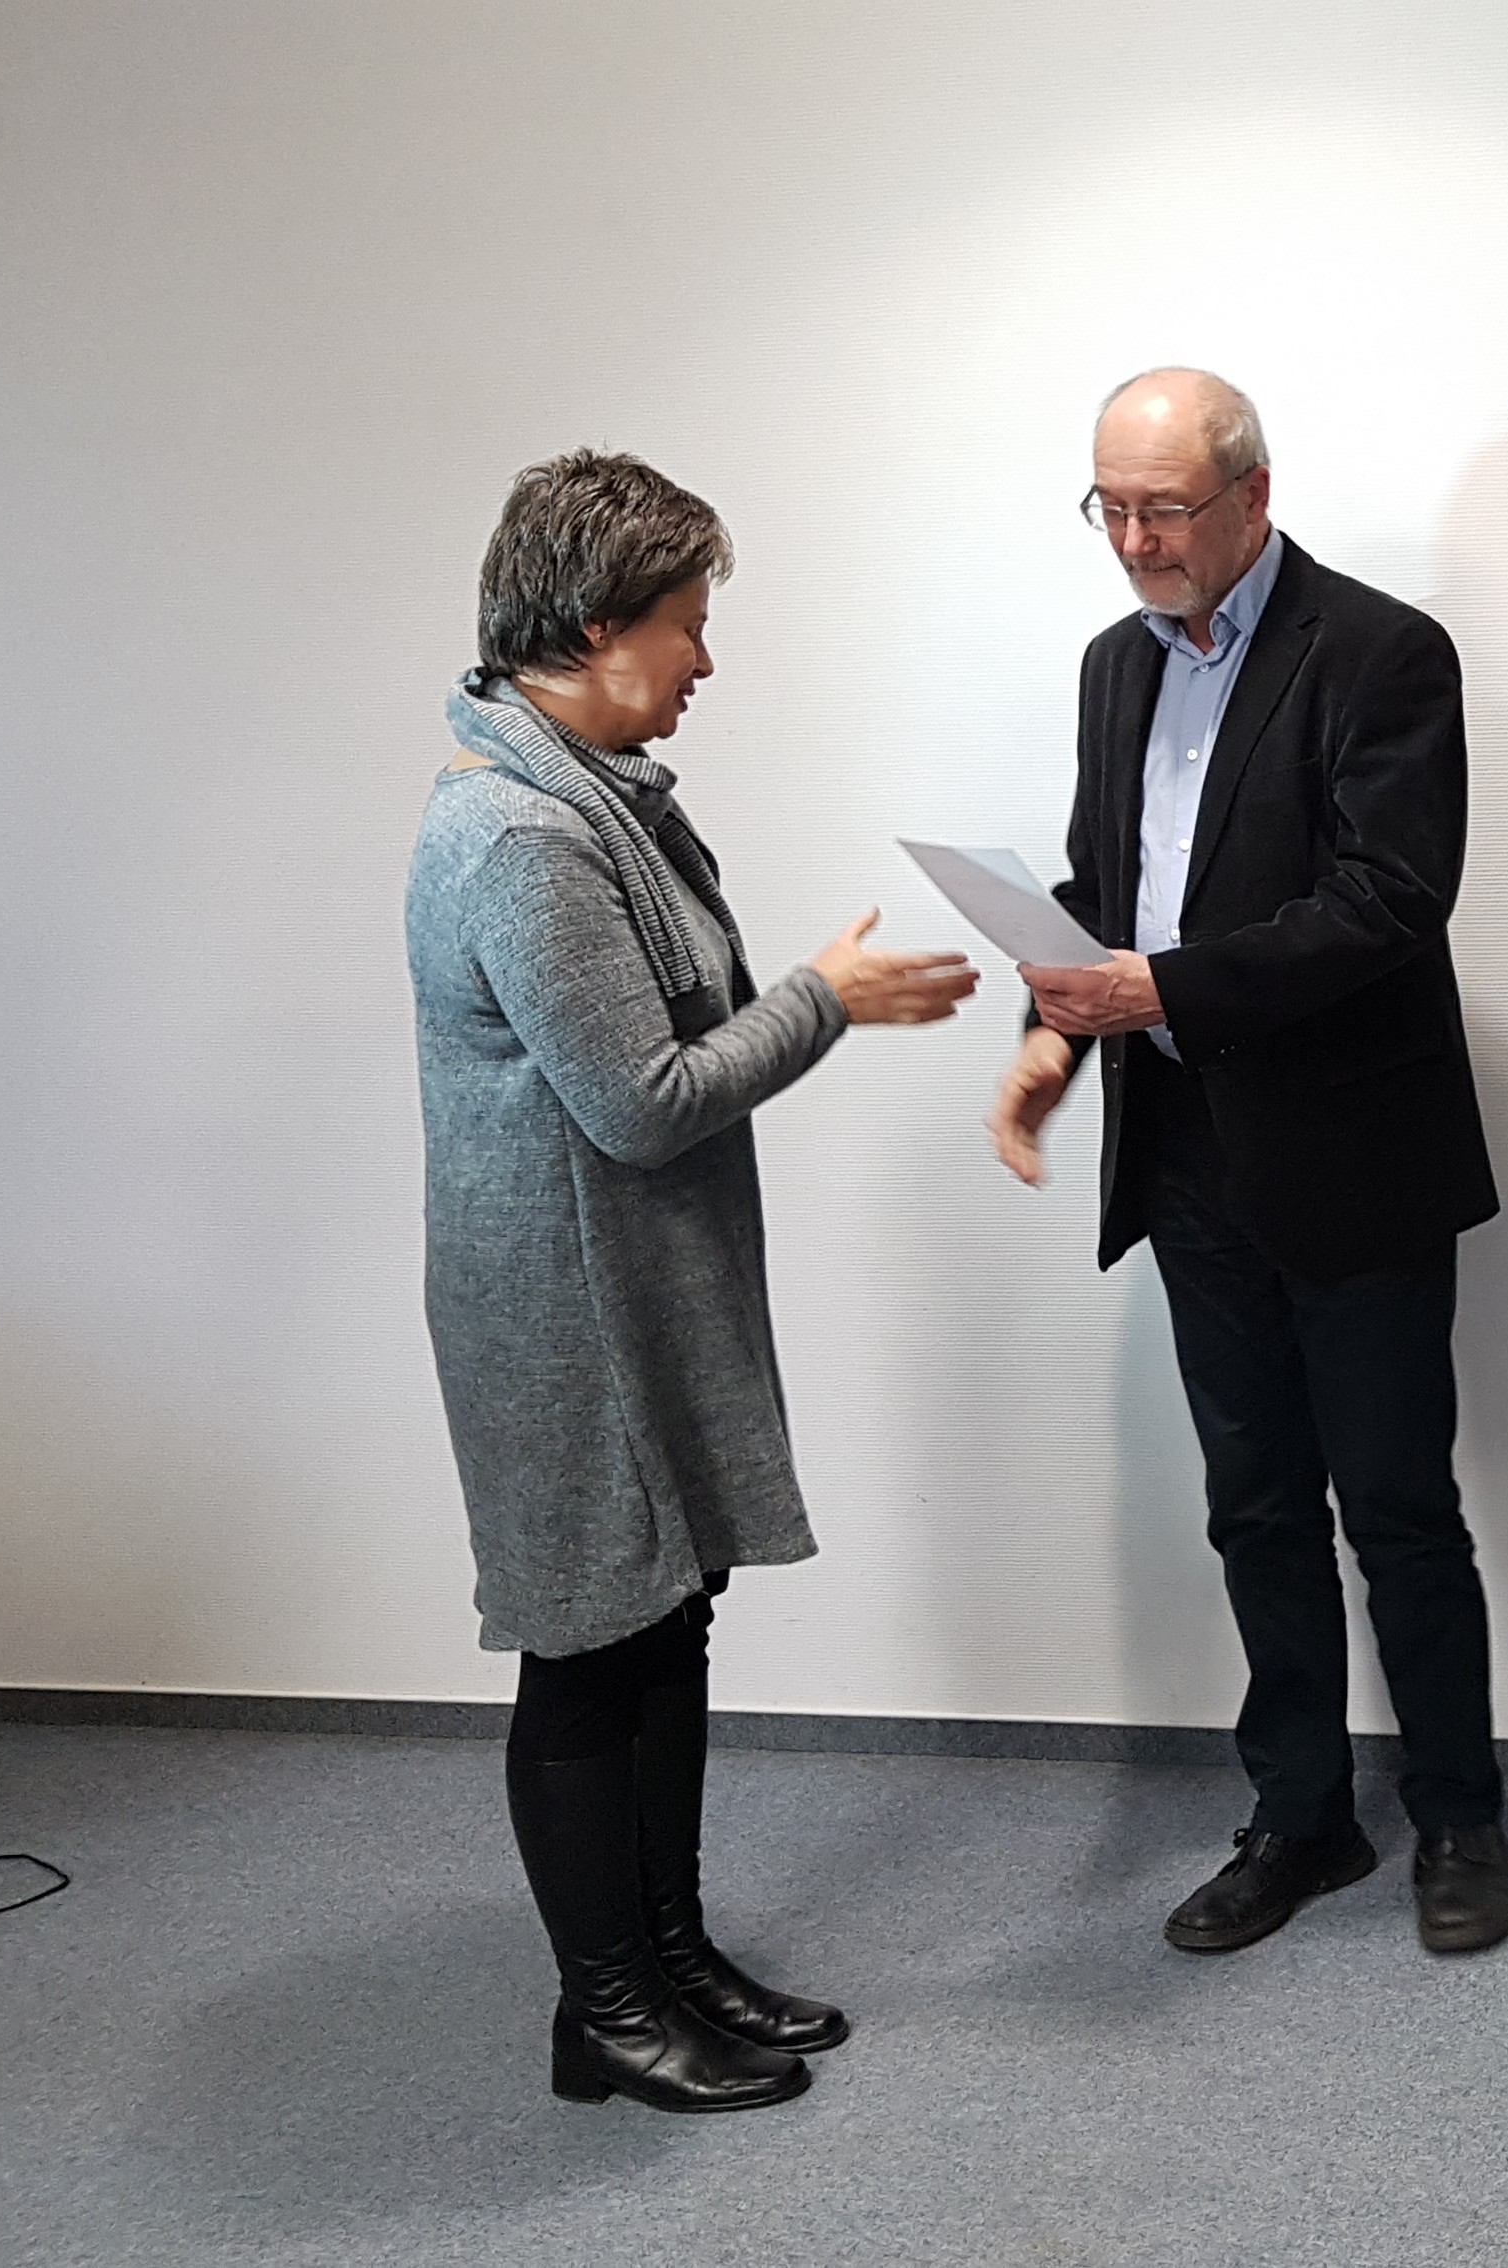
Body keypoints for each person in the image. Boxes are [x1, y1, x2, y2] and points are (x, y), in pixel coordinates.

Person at [409, 451, 977, 2112]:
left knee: (667, 1618)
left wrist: (808, 1002)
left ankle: (669, 1956)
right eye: (685, 623)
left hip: (635, 1289)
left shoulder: (594, 798)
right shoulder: (521, 835)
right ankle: (605, 2012)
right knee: (592, 1645)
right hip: (566, 1317)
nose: (705, 661)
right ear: (597, 626)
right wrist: (825, 1000)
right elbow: (641, 1103)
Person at [984, 369, 1508, 1959]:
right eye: (1111, 509)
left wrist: (1157, 989)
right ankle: (1301, 1816)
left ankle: (1460, 1814)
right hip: (1186, 1152)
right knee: (1256, 1507)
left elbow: (1388, 899)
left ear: (1253, 496)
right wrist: (1054, 1036)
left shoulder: (1382, 651)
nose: (1135, 542)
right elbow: (1107, 883)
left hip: (1352, 1153)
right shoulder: (1114, 666)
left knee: (1399, 1507)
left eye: (1165, 510)